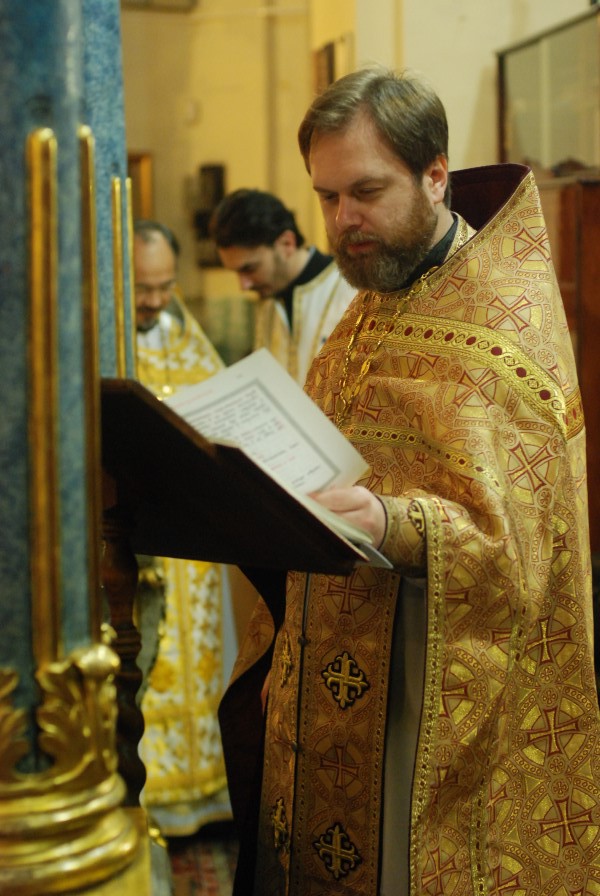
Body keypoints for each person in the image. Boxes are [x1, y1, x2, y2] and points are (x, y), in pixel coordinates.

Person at [218, 68, 600, 895]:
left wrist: (392, 523)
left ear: (435, 174)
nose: (342, 222)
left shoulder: (506, 323)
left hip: (430, 685)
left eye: (365, 192)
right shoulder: (376, 298)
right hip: (329, 661)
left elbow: (519, 548)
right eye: (326, 197)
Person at [133, 219, 237, 836]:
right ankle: (152, 795)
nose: (154, 300)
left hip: (193, 538)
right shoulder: (103, 339)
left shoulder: (185, 336)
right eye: (142, 287)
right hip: (138, 535)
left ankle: (204, 790)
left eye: (164, 285)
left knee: (203, 655)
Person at [210, 188, 356, 384]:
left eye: (250, 268)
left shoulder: (352, 289)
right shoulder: (269, 302)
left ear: (287, 243)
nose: (244, 286)